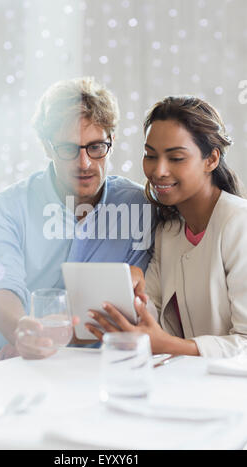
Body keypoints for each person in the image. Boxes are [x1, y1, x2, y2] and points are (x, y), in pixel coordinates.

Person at [0, 77, 155, 372]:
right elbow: (3, 288)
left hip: (89, 368)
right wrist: (21, 331)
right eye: (68, 149)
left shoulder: (140, 206)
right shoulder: (6, 208)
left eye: (96, 147)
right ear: (47, 147)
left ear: (111, 142)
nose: (84, 163)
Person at [86, 95, 247, 358]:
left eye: (176, 158)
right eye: (150, 155)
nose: (158, 170)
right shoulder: (168, 231)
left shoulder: (239, 224)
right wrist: (132, 300)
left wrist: (168, 345)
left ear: (211, 159)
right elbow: (153, 317)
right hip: (184, 385)